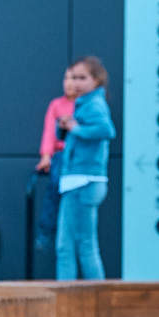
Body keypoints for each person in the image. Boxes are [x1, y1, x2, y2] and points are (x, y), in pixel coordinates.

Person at [53, 56, 115, 282]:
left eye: (82, 77)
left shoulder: (94, 104)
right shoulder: (86, 103)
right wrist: (68, 127)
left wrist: (76, 128)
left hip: (83, 181)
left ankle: (73, 299)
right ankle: (85, 297)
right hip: (81, 180)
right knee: (77, 244)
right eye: (72, 77)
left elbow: (106, 130)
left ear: (96, 80)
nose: (76, 83)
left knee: (71, 245)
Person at [32, 83, 75, 269]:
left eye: (78, 78)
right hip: (61, 157)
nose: (71, 83)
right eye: (68, 78)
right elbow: (49, 133)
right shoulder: (57, 105)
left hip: (80, 160)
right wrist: (46, 157)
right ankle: (46, 231)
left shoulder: (88, 105)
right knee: (55, 187)